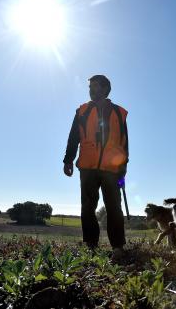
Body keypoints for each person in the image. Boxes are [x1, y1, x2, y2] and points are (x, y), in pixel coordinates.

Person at [63, 75, 129, 258]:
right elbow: (73, 137)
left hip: (112, 170)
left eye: (96, 86)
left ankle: (118, 247)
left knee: (114, 207)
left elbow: (124, 144)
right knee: (87, 207)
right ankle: (91, 245)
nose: (91, 90)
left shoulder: (119, 113)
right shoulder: (82, 111)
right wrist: (68, 160)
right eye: (90, 87)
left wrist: (123, 170)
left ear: (106, 89)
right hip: (88, 167)